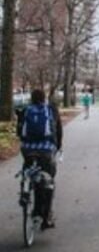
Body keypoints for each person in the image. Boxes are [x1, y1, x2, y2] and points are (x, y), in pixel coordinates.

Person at [17, 89, 63, 230]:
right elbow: (59, 131)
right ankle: (46, 216)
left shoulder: (25, 110)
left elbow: (19, 132)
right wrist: (57, 147)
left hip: (28, 149)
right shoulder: (51, 109)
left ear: (31, 98)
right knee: (48, 180)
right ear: (44, 98)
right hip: (46, 150)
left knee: (28, 170)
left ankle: (24, 191)